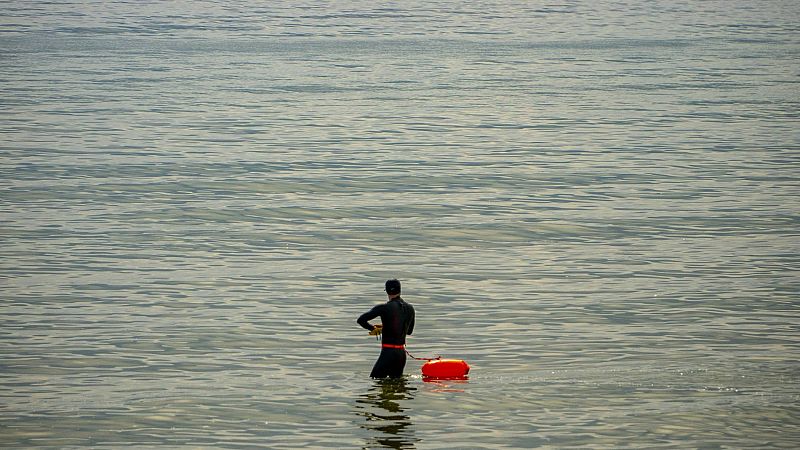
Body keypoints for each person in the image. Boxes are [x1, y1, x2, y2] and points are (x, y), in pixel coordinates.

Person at [357, 279, 415, 378]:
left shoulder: (384, 308)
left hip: (388, 353)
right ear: (400, 290)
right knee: (397, 385)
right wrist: (386, 327)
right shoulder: (410, 308)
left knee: (375, 381)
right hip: (401, 354)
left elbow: (361, 320)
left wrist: (373, 329)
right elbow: (409, 331)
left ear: (387, 291)